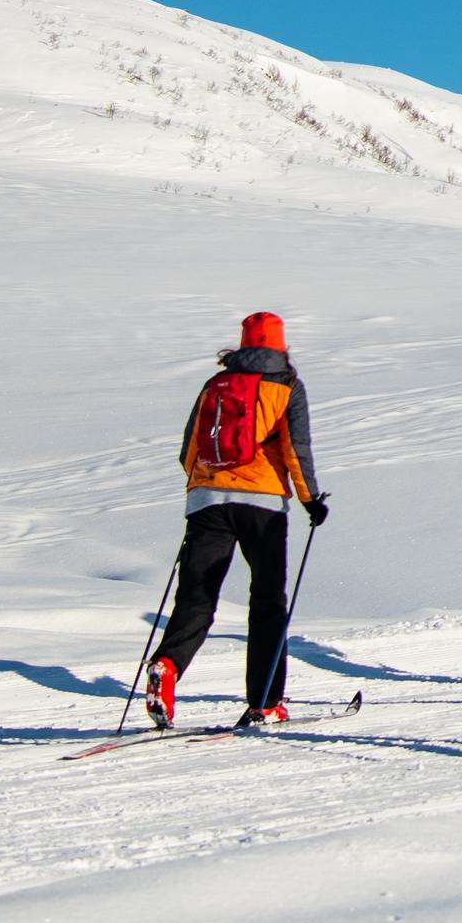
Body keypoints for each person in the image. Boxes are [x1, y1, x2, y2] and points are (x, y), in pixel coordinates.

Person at [150, 309, 326, 730]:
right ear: (280, 345)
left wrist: (204, 488)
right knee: (266, 602)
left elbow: (188, 449)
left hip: (207, 501)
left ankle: (168, 665)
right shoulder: (286, 386)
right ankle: (265, 703)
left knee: (196, 596)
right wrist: (311, 500)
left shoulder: (217, 384)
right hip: (262, 505)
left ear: (243, 344)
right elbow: (295, 449)